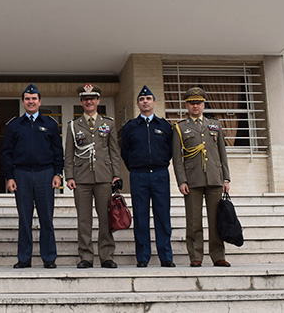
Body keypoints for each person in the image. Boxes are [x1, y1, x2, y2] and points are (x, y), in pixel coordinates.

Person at [2, 83, 63, 269]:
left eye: (34, 98)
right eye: (27, 99)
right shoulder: (14, 126)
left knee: (47, 219)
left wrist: (57, 173)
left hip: (45, 174)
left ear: (39, 101)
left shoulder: (50, 124)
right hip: (21, 175)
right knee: (24, 219)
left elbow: (57, 152)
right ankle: (24, 258)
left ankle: (49, 258)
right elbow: (7, 153)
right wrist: (9, 177)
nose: (31, 101)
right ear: (23, 102)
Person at [172, 86, 231, 267]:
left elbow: (222, 153)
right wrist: (181, 181)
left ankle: (218, 255)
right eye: (191, 103)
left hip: (214, 177)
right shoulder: (180, 128)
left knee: (215, 220)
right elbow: (177, 157)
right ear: (186, 105)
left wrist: (226, 178)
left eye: (198, 103)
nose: (195, 106)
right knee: (193, 221)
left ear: (204, 104)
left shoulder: (215, 125)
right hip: (193, 179)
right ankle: (195, 256)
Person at [64, 84, 121, 269]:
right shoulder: (73, 126)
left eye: (93, 98)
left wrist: (116, 175)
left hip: (104, 177)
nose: (89, 101)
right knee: (84, 219)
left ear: (98, 101)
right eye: (85, 99)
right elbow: (69, 154)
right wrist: (69, 176)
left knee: (105, 219)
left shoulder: (108, 123)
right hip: (81, 179)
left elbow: (114, 151)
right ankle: (86, 256)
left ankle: (106, 256)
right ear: (81, 102)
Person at [120, 85, 175, 268]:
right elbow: (125, 151)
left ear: (154, 102)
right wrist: (135, 168)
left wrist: (159, 164)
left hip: (160, 174)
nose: (145, 102)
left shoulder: (165, 126)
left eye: (148, 99)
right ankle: (142, 257)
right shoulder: (130, 127)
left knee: (162, 216)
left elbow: (170, 150)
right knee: (141, 217)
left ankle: (165, 256)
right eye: (142, 99)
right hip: (139, 175)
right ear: (137, 103)